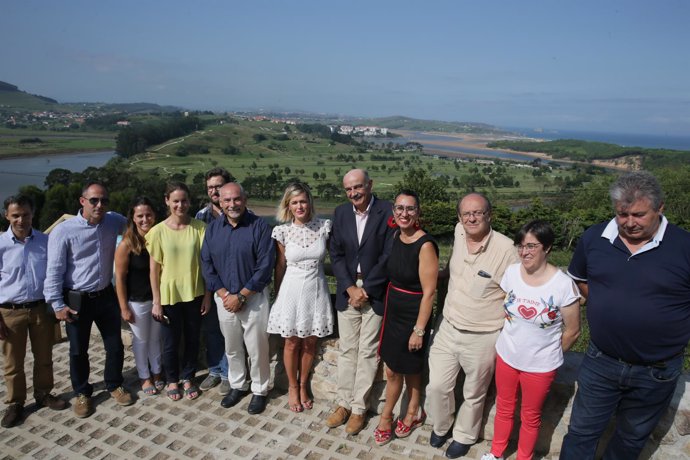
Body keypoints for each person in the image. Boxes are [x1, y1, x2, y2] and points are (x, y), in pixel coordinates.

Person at [560, 171, 690, 460]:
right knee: (581, 433)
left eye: (639, 214)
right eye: (622, 214)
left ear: (660, 209)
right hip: (600, 361)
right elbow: (580, 279)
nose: (630, 222)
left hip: (656, 370)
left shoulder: (684, 246)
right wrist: (609, 303)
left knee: (630, 440)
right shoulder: (595, 237)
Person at [426, 193, 518, 458]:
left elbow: (516, 293)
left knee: (474, 392)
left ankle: (464, 435)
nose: (472, 218)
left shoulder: (507, 250)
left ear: (489, 215)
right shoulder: (459, 232)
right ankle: (442, 426)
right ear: (459, 218)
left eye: (478, 213)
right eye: (466, 214)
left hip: (483, 335)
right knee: (438, 386)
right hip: (448, 326)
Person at [481, 220, 580, 460]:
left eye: (532, 246)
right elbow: (506, 304)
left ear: (547, 248)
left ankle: (524, 457)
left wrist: (549, 354)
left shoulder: (563, 285)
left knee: (530, 416)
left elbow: (573, 331)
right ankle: (496, 453)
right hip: (507, 356)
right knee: (503, 408)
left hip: (540, 366)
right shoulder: (513, 272)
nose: (525, 252)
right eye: (521, 246)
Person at [44, 181, 134, 418]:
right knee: (77, 350)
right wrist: (57, 304)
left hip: (105, 296)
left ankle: (114, 384)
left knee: (114, 346)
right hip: (76, 300)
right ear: (82, 201)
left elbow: (136, 228)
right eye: (94, 200)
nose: (99, 205)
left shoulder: (113, 221)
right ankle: (82, 393)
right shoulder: (64, 231)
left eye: (104, 200)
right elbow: (53, 269)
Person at [326, 168, 394, 435]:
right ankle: (342, 404)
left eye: (358, 187)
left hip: (374, 291)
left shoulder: (387, 211)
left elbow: (388, 254)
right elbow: (336, 252)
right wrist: (350, 287)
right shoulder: (341, 213)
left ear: (370, 184)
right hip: (348, 290)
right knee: (347, 351)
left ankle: (358, 409)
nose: (353, 193)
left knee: (367, 352)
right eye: (348, 189)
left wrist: (366, 289)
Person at [201, 182, 274, 415]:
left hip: (253, 299)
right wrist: (224, 294)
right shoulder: (212, 229)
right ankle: (237, 385)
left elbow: (265, 266)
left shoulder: (260, 227)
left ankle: (260, 390)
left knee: (257, 348)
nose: (232, 204)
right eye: (227, 200)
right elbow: (206, 264)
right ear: (220, 202)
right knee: (232, 347)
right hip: (224, 299)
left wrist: (241, 296)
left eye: (236, 199)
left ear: (244, 199)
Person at [373, 190, 438, 446]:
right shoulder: (395, 236)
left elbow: (430, 292)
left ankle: (388, 417)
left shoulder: (426, 245)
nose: (404, 213)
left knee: (405, 368)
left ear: (418, 213)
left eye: (410, 209)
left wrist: (419, 330)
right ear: (393, 211)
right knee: (397, 369)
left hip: (414, 313)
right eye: (399, 208)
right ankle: (414, 410)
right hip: (394, 311)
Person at [0, 195, 67, 428]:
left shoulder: (45, 241)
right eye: (15, 215)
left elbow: (55, 273)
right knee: (13, 362)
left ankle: (43, 393)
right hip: (10, 312)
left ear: (33, 214)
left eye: (25, 214)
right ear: (7, 216)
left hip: (40, 308)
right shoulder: (1, 245)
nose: (21, 219)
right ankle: (16, 403)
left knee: (44, 356)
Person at [268, 183, 334, 413]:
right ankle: (293, 388)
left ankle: (304, 385)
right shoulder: (282, 232)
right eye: (294, 202)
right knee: (291, 341)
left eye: (303, 201)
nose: (299, 206)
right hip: (291, 292)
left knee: (310, 342)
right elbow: (280, 266)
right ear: (288, 205)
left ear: (310, 202)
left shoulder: (324, 227)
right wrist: (277, 296)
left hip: (316, 290)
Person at [146, 182, 211, 401]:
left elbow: (207, 265)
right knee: (170, 342)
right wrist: (157, 301)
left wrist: (208, 296)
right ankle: (172, 379)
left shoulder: (200, 228)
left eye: (184, 200)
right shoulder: (157, 232)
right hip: (169, 295)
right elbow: (154, 270)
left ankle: (188, 377)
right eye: (175, 201)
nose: (180, 205)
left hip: (195, 293)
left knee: (192, 339)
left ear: (189, 202)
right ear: (167, 201)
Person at [114, 197, 163, 396]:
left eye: (148, 214)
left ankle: (158, 372)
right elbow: (120, 279)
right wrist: (124, 307)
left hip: (158, 299)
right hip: (137, 301)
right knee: (141, 340)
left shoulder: (158, 238)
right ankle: (144, 376)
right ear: (133, 218)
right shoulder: (127, 244)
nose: (145, 219)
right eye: (140, 216)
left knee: (155, 339)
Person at [195, 167, 232, 396]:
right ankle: (215, 369)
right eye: (210, 187)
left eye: (218, 186)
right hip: (210, 283)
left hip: (233, 282)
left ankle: (229, 374)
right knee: (212, 330)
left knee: (231, 332)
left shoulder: (237, 209)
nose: (214, 191)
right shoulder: (202, 216)